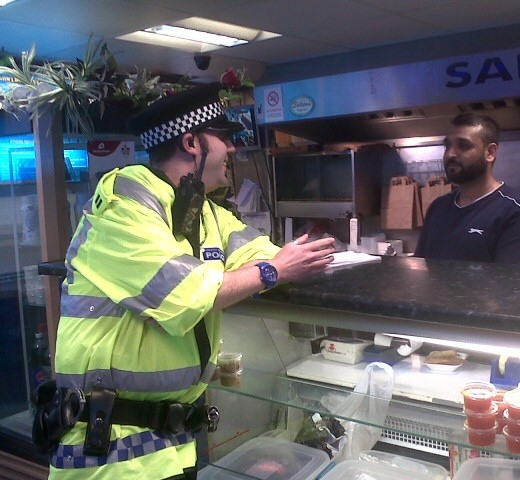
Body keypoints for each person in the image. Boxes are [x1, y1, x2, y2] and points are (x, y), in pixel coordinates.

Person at [47, 82, 335, 480]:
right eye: (224, 138)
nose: (232, 150)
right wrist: (272, 272)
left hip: (171, 444)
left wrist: (275, 263)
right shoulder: (122, 204)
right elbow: (183, 295)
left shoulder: (205, 212)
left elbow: (261, 252)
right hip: (111, 451)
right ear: (192, 143)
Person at [414, 112, 520, 264]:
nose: (450, 154)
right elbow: (421, 267)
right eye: (448, 146)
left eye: (463, 145)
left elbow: (510, 285)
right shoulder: (438, 207)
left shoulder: (516, 213)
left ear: (490, 153)